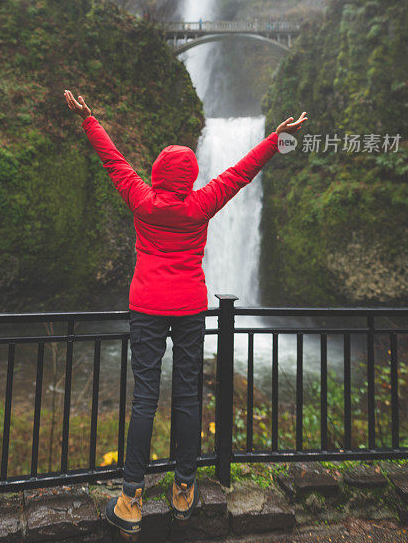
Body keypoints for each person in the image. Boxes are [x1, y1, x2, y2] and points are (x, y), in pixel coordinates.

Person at [63, 89, 307, 539]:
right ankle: (183, 489)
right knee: (189, 397)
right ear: (191, 176)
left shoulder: (141, 199)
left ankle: (131, 497)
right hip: (191, 306)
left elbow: (114, 161)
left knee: (144, 399)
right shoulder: (202, 203)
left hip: (147, 307)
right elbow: (240, 173)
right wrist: (275, 140)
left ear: (156, 173)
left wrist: (89, 120)